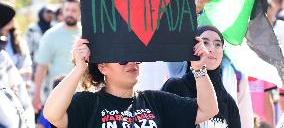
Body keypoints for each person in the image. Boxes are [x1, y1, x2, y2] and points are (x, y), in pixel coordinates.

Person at [43, 36, 219, 128]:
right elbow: (52, 114)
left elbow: (208, 109)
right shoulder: (87, 103)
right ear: (102, 67)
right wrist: (80, 68)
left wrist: (198, 69)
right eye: (122, 60)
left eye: (135, 58)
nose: (132, 63)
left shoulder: (156, 101)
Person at [161, 25, 241, 128]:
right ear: (193, 48)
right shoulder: (175, 87)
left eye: (217, 44)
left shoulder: (229, 103)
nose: (212, 49)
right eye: (205, 43)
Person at [32, 0, 81, 113]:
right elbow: (42, 66)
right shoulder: (51, 35)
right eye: (67, 10)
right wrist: (36, 94)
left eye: (74, 10)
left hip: (83, 92)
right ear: (62, 11)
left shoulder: (87, 32)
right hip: (58, 93)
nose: (70, 13)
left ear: (80, 12)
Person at [0, 2, 33, 82]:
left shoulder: (19, 41)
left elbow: (27, 66)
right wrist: (16, 73)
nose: (13, 20)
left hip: (16, 88)